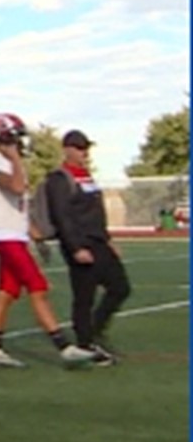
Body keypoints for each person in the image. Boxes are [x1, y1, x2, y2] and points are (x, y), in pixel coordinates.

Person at [0, 113, 95, 368]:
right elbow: (15, 188)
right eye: (17, 138)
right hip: (3, 236)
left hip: (14, 235)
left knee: (7, 292)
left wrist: (33, 233)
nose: (21, 144)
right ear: (5, 138)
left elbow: (17, 205)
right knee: (38, 286)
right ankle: (63, 346)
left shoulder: (10, 163)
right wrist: (14, 158)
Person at [39, 128, 130, 364]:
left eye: (86, 148)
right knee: (84, 296)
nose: (84, 153)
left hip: (99, 242)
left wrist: (108, 239)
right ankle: (86, 343)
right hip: (80, 244)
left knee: (120, 287)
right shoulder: (59, 178)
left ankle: (95, 330)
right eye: (80, 148)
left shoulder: (86, 175)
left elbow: (96, 212)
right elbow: (62, 215)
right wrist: (76, 247)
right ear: (67, 149)